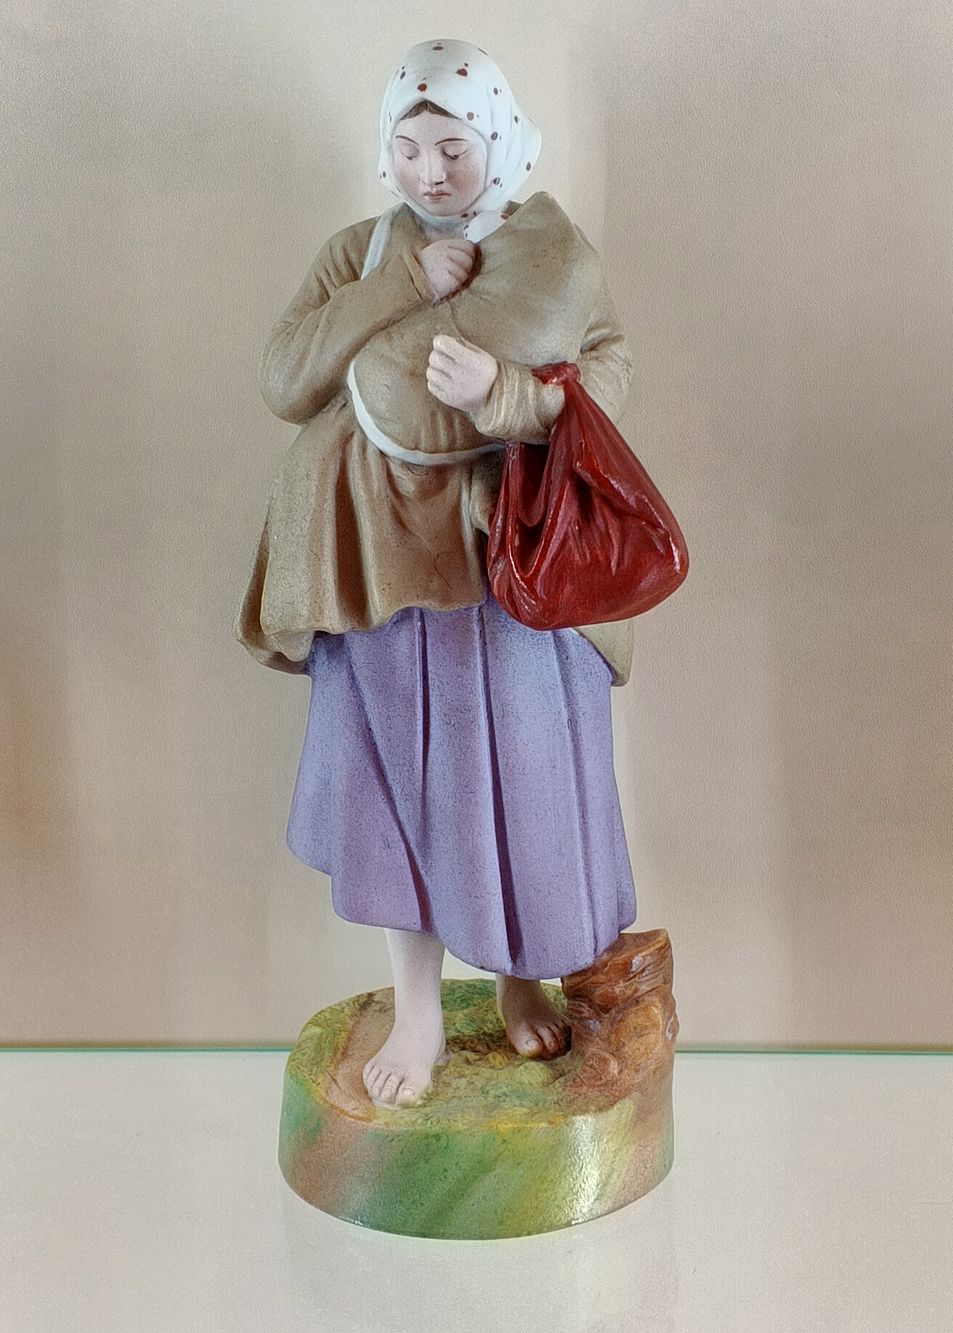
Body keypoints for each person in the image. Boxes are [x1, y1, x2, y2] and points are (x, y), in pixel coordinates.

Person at [235, 38, 639, 1107]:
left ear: (496, 138)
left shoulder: (551, 253)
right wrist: (403, 285)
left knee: (516, 781)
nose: (431, 172)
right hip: (376, 558)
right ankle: (415, 1009)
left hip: (502, 562)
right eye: (409, 148)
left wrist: (506, 393)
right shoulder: (363, 251)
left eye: (454, 148)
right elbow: (286, 377)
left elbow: (608, 372)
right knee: (398, 791)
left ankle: (517, 976)